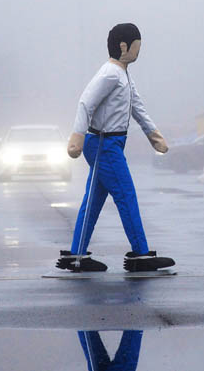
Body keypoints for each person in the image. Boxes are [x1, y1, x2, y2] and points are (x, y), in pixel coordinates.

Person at [56, 23, 174, 272]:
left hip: (110, 144)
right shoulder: (110, 74)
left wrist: (154, 135)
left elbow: (137, 107)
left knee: (94, 200)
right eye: (137, 46)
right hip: (103, 144)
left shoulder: (123, 75)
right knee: (126, 195)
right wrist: (76, 136)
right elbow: (86, 102)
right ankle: (140, 254)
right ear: (123, 46)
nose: (139, 51)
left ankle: (76, 255)